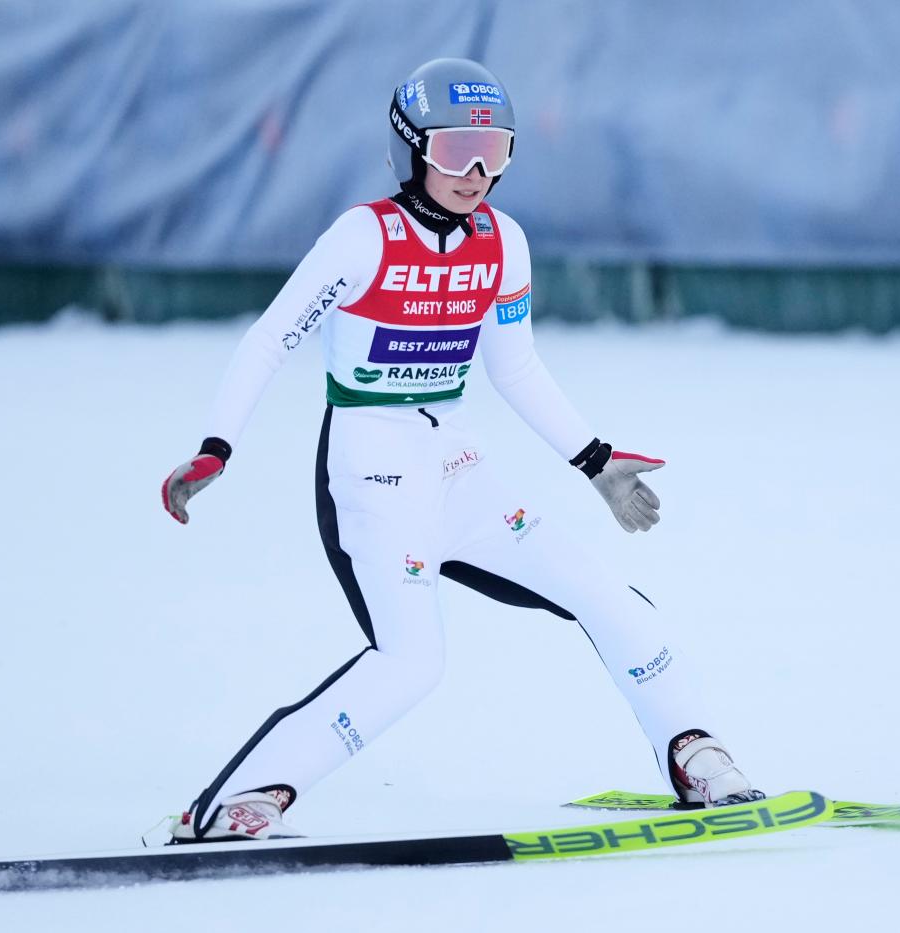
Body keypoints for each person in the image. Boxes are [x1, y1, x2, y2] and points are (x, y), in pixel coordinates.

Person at [160, 58, 761, 843]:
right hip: (371, 468)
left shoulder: (503, 242)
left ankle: (694, 752)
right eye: (453, 152)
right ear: (411, 151)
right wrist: (217, 448)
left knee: (610, 596)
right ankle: (241, 799)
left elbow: (515, 364)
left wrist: (596, 462)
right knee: (412, 662)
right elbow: (270, 337)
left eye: (494, 150)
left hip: (458, 467)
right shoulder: (361, 237)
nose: (475, 172)